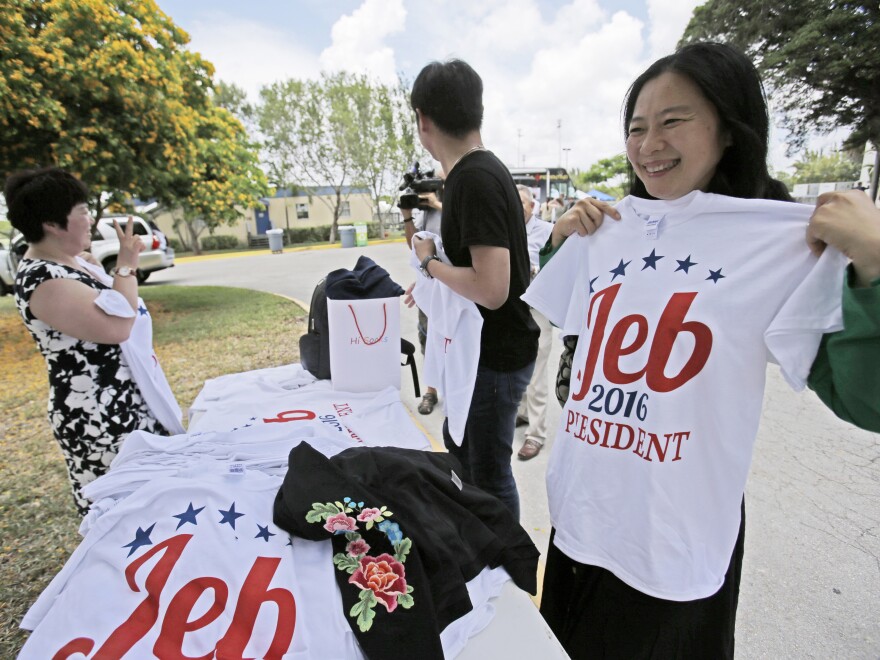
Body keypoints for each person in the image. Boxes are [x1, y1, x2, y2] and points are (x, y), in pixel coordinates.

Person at [523, 42, 880, 658]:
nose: (648, 144)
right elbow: (566, 311)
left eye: (673, 121)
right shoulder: (609, 228)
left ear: (730, 129)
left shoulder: (781, 242)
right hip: (581, 521)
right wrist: (562, 241)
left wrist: (873, 260)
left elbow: (867, 400)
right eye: (636, 128)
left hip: (672, 548)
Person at [7, 167, 180, 515]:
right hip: (99, 416)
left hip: (128, 404)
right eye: (82, 211)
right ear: (52, 223)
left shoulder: (71, 263)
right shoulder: (42, 279)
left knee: (161, 503)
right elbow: (116, 328)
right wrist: (126, 266)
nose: (90, 219)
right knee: (128, 513)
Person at [408, 59, 539, 520]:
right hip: (493, 350)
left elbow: (491, 287)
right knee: (464, 452)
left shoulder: (472, 179)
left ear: (423, 120)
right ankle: (489, 552)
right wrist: (430, 276)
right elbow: (479, 263)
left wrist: (429, 262)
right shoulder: (478, 172)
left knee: (485, 472)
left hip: (495, 355)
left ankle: (505, 567)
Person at [514, 185, 554, 460]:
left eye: (521, 203)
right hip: (513, 306)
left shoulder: (548, 231)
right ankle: (523, 413)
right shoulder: (505, 230)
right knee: (519, 363)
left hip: (538, 306)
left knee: (538, 368)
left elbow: (558, 268)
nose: (516, 208)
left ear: (532, 206)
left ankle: (536, 433)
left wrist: (535, 270)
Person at [401, 168, 444, 415]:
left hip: (456, 285)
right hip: (428, 284)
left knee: (454, 339)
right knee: (427, 336)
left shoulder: (451, 202)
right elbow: (413, 245)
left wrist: (438, 204)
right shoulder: (427, 210)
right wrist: (407, 216)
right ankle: (431, 390)